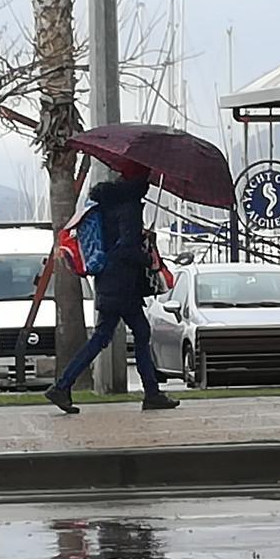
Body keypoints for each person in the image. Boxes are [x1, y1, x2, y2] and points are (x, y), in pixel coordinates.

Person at [44, 169, 180, 414]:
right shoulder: (130, 208)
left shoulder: (106, 204)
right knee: (124, 334)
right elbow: (125, 250)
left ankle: (64, 386)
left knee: (121, 334)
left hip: (108, 282)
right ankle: (150, 393)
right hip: (123, 285)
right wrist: (145, 255)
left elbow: (113, 243)